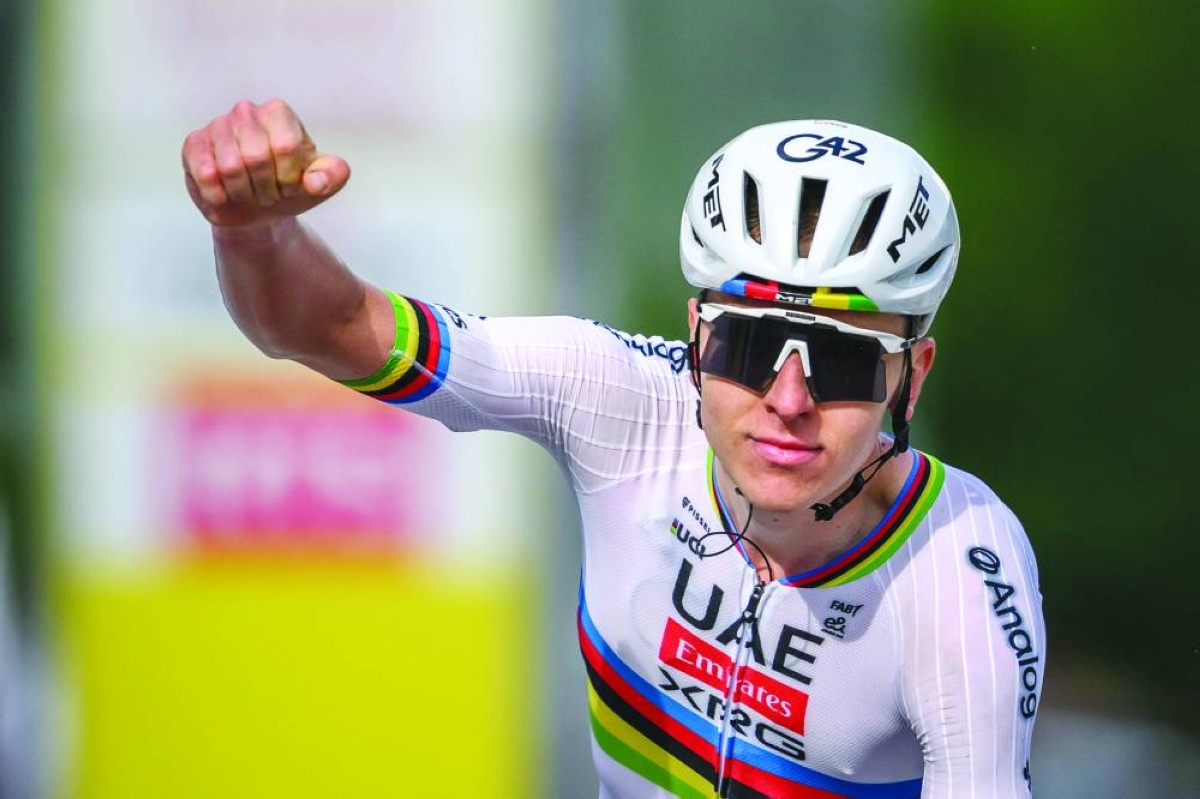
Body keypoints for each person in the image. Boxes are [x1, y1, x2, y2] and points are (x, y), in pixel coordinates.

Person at [182, 100, 1046, 798]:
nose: (790, 401)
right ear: (696, 332)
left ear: (913, 376)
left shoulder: (956, 570)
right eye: (749, 348)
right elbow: (330, 324)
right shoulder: (619, 397)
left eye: (845, 360)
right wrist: (252, 233)